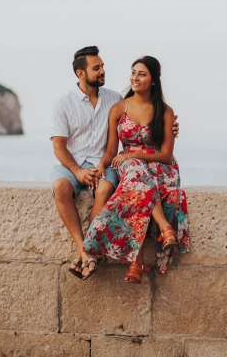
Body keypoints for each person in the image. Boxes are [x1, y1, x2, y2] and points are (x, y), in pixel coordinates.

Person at [50, 46, 180, 281]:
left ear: (153, 80)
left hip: (127, 165)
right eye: (97, 68)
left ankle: (133, 261)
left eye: (103, 67)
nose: (103, 71)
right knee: (63, 187)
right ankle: (87, 250)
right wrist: (82, 170)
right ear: (81, 73)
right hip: (86, 164)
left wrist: (167, 130)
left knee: (116, 187)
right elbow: (65, 146)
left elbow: (163, 148)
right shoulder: (67, 104)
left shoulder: (116, 98)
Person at [82, 55, 190, 283]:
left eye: (142, 74)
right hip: (130, 168)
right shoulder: (119, 109)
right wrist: (102, 165)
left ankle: (137, 262)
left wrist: (132, 153)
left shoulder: (165, 111)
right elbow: (112, 151)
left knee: (134, 184)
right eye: (133, 72)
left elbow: (166, 155)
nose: (135, 78)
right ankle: (164, 228)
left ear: (153, 80)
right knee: (134, 173)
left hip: (161, 168)